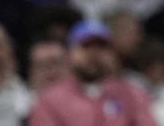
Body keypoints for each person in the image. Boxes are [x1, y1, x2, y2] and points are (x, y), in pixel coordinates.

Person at [28, 20, 157, 126]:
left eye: (101, 47)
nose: (94, 54)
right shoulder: (50, 100)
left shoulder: (134, 95)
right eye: (86, 46)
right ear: (70, 53)